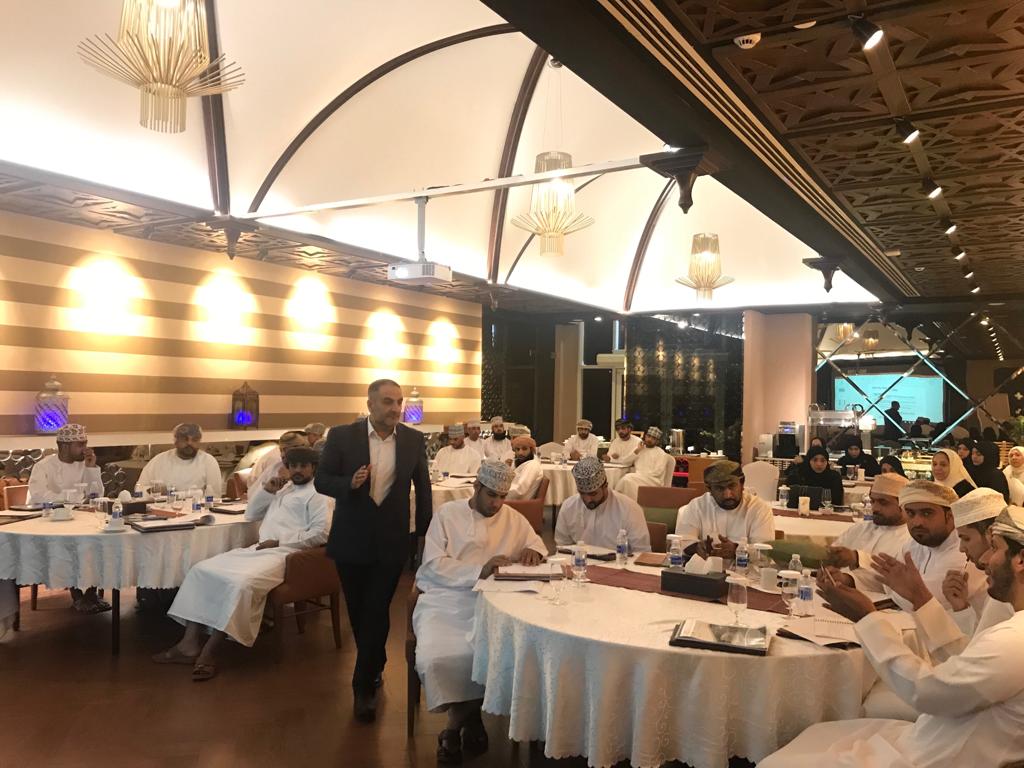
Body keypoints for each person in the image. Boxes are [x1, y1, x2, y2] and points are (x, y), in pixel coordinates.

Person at [759, 505, 1024, 768]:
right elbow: (964, 661)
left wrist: (867, 619)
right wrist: (920, 597)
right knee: (814, 735)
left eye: (995, 548)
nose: (985, 560)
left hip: (924, 759)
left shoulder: (1014, 640)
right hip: (921, 741)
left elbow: (927, 691)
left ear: (1020, 560)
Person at [154, 447, 328, 681]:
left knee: (239, 583)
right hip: (258, 550)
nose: (297, 470)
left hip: (289, 555)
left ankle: (210, 651)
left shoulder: (319, 495)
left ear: (313, 468)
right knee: (201, 570)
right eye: (293, 466)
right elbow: (251, 515)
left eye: (303, 466)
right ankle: (189, 644)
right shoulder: (284, 489)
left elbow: (321, 534)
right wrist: (267, 491)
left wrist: (280, 541)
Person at [314, 379, 432, 722]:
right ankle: (375, 661)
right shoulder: (342, 436)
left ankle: (362, 686)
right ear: (370, 405)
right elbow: (322, 480)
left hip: (392, 541)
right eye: (387, 402)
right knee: (358, 610)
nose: (395, 408)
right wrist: (347, 484)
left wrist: (425, 539)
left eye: (398, 402)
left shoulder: (412, 440)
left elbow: (423, 490)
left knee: (377, 608)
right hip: (351, 539)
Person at [413, 461, 547, 764]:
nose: (497, 503)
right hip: (446, 598)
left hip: (497, 602)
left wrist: (534, 551)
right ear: (476, 487)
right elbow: (432, 564)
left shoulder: (512, 517)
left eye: (502, 496)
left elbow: (536, 544)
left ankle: (452, 728)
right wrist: (479, 570)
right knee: (439, 657)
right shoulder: (447, 514)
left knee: (497, 653)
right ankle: (472, 719)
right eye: (491, 495)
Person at [871, 488, 1012, 663]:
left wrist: (917, 596)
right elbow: (971, 646)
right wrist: (961, 608)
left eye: (966, 539)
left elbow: (972, 660)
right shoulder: (914, 544)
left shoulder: (1006, 591)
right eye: (911, 513)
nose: (961, 548)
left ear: (992, 538)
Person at [27, 423, 107, 613]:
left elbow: (97, 494)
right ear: (64, 446)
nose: (86, 449)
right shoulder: (44, 466)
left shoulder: (85, 464)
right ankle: (78, 596)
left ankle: (90, 594)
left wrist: (91, 468)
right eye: (80, 444)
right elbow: (38, 495)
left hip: (81, 519)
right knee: (72, 546)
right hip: (50, 521)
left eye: (85, 443)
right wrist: (69, 498)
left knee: (97, 543)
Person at [825, 473, 911, 593]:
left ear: (904, 505)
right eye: (873, 501)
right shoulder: (860, 528)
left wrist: (855, 562)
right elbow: (831, 557)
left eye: (883, 503)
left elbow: (894, 583)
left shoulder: (911, 540)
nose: (875, 508)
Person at [674, 460, 774, 558]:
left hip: (746, 568)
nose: (727, 495)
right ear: (709, 489)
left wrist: (737, 550)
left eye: (732, 486)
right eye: (719, 488)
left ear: (742, 484)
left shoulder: (759, 509)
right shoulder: (697, 506)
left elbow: (765, 551)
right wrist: (697, 548)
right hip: (705, 567)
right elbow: (682, 542)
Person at [554, 457, 650, 552]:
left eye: (593, 494)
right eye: (582, 493)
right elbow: (562, 546)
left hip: (619, 561)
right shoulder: (568, 507)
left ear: (605, 486)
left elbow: (641, 552)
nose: (587, 500)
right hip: (580, 561)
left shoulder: (629, 509)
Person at [136, 423, 222, 497]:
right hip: (160, 508)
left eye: (194, 440)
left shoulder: (208, 461)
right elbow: (139, 489)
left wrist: (178, 495)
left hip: (197, 509)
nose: (189, 443)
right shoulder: (159, 461)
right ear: (175, 441)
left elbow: (215, 496)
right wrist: (154, 490)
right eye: (185, 439)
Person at [614, 427, 670, 500]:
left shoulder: (661, 453)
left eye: (653, 438)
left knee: (627, 479)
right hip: (637, 478)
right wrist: (637, 451)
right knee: (628, 481)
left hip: (653, 480)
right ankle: (625, 502)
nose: (650, 439)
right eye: (648, 436)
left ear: (657, 441)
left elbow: (657, 472)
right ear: (645, 436)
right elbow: (625, 462)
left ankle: (617, 499)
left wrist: (640, 475)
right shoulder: (640, 450)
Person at [507, 435, 543, 501]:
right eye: (517, 449)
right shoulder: (521, 462)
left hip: (518, 503)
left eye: (524, 449)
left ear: (532, 450)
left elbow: (519, 490)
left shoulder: (532, 465)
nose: (520, 453)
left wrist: (498, 494)